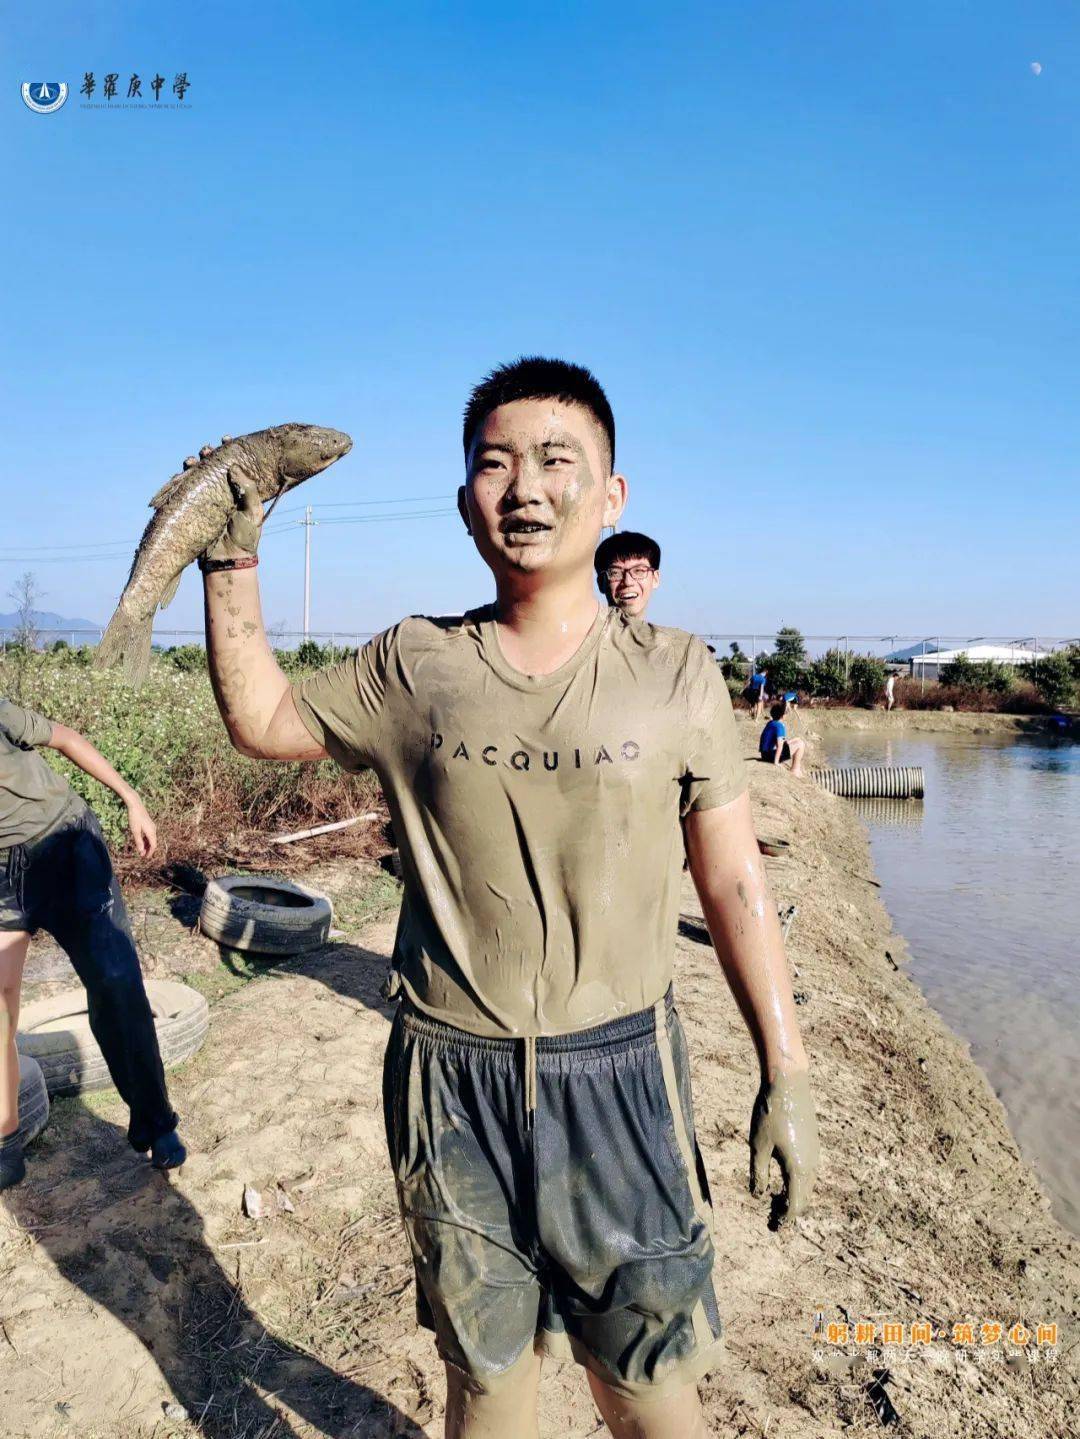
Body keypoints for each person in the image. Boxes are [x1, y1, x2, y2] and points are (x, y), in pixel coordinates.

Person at [196, 357, 819, 1439]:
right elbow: (263, 716)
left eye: (554, 460)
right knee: (485, 1376)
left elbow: (730, 877)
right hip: (452, 1077)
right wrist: (230, 556)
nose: (523, 488)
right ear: (464, 501)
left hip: (622, 1073)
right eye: (495, 464)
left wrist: (788, 1070)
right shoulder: (417, 661)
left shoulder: (676, 670)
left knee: (647, 1379)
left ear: (612, 495)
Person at [0, 699, 186, 1192]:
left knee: (115, 980)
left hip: (65, 844)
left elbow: (65, 738)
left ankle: (157, 1119)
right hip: (3, 877)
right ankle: (6, 1144)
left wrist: (131, 798)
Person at [592, 529, 661, 619]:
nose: (628, 582)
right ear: (601, 583)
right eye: (615, 573)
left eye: (638, 571)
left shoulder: (669, 633)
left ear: (655, 579)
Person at [759, 703, 807, 778]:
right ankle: (795, 770)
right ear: (782, 716)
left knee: (798, 740)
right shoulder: (780, 726)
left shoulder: (771, 723)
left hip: (764, 754)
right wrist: (776, 762)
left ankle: (797, 769)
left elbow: (780, 742)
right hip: (770, 756)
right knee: (801, 744)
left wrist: (794, 740)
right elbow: (780, 745)